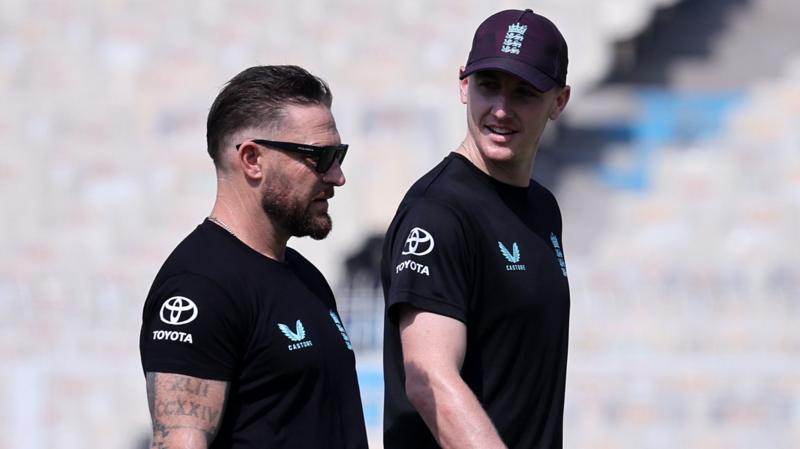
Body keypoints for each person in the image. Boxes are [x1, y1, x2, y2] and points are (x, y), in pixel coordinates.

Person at [139, 65, 368, 449]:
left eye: (339, 155)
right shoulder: (200, 287)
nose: (337, 176)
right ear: (252, 159)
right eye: (322, 156)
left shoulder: (306, 277)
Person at [381, 9, 572, 449]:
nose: (501, 109)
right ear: (464, 85)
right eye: (488, 86)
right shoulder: (437, 213)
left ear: (559, 102)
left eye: (524, 92)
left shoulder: (543, 208)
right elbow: (429, 379)